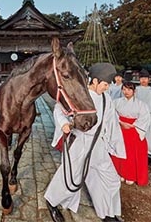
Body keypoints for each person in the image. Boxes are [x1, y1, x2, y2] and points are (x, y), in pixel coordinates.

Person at [44, 63, 126, 222]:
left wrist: (115, 145)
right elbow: (58, 108)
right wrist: (63, 124)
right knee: (70, 176)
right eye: (105, 84)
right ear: (95, 81)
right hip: (80, 142)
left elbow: (111, 123)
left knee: (110, 179)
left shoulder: (106, 98)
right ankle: (52, 201)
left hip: (98, 144)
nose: (107, 88)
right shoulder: (80, 94)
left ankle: (107, 213)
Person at [111, 81, 151, 186]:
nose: (126, 92)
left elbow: (145, 117)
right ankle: (120, 173)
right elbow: (111, 113)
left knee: (132, 153)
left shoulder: (141, 105)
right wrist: (120, 122)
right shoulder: (116, 102)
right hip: (120, 128)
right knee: (118, 151)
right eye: (124, 89)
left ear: (134, 91)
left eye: (129, 89)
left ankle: (131, 175)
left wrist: (133, 126)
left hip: (134, 129)